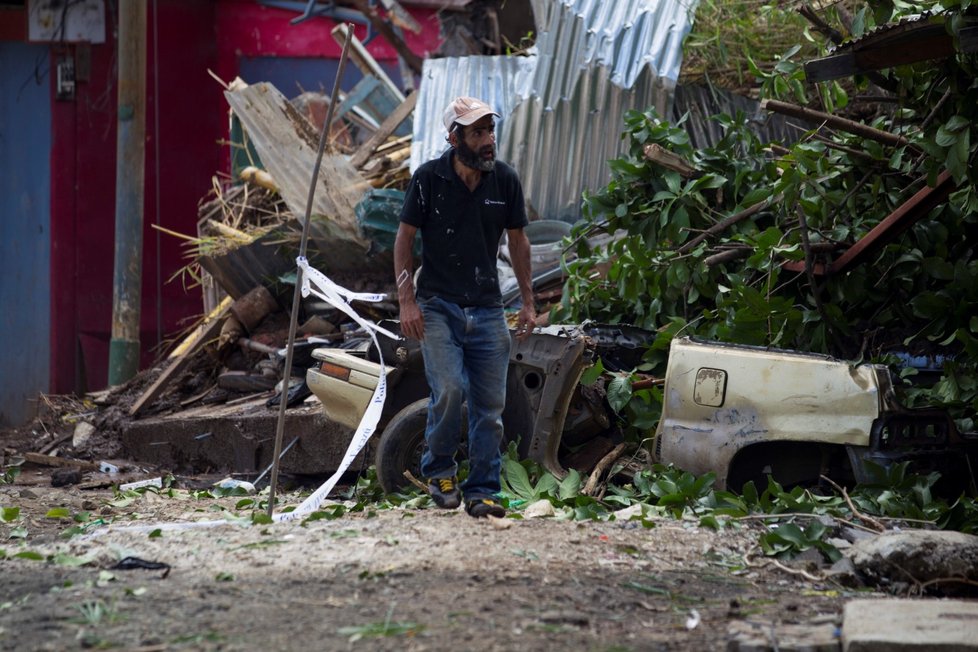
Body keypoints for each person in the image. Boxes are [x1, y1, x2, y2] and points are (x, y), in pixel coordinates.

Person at [393, 96, 537, 518]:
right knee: (450, 391)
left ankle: (483, 489)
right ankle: (439, 470)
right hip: (438, 306)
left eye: (490, 131)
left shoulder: (504, 181)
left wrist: (528, 303)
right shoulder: (428, 180)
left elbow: (519, 241)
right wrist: (407, 301)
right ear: (454, 137)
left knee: (491, 405)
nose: (488, 141)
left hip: (488, 309)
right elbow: (404, 239)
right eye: (478, 132)